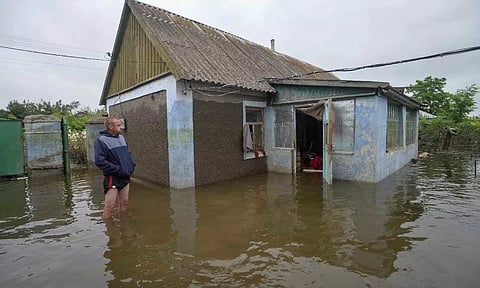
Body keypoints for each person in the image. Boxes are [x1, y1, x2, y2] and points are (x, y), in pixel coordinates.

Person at [94, 117, 135, 219]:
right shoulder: (101, 140)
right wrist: (117, 170)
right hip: (112, 177)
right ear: (110, 127)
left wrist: (131, 166)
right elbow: (99, 161)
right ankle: (109, 232)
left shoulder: (121, 138)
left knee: (124, 203)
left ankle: (124, 226)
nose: (121, 127)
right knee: (110, 206)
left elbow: (128, 154)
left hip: (125, 176)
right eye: (118, 125)